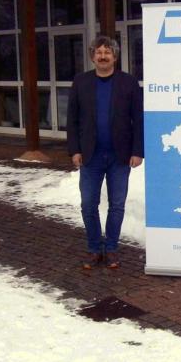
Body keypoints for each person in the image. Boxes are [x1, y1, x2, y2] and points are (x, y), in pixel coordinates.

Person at [67, 36, 143, 270]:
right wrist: (74, 150)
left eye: (107, 52)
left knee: (117, 205)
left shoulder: (128, 83)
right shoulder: (81, 82)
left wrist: (137, 151)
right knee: (88, 204)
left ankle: (110, 249)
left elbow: (138, 119)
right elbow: (72, 120)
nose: (102, 56)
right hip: (90, 155)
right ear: (92, 56)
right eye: (98, 52)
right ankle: (93, 249)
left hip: (120, 156)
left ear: (115, 57)